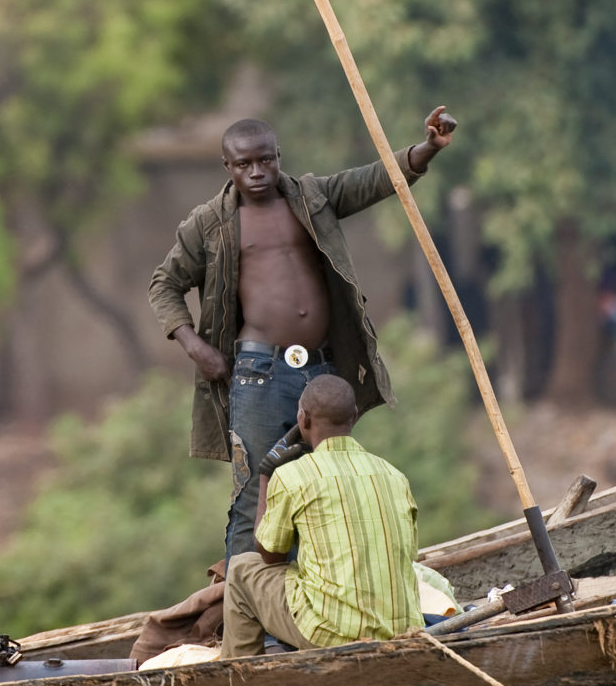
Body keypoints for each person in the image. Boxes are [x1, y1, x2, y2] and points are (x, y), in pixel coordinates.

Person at [148, 107, 455, 561]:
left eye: (265, 160)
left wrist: (426, 147)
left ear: (278, 157)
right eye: (244, 164)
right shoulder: (210, 223)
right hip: (258, 373)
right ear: (227, 167)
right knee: (254, 494)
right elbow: (164, 284)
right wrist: (196, 348)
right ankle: (247, 620)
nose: (257, 172)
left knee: (322, 488)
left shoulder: (312, 197)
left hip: (320, 371)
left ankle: (307, 606)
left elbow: (373, 180)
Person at [221, 374, 421, 657]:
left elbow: (270, 555)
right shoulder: (394, 475)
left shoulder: (292, 476)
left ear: (303, 419)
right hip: (401, 631)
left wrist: (267, 475)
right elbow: (410, 554)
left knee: (241, 568)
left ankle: (237, 681)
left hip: (330, 633)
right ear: (353, 416)